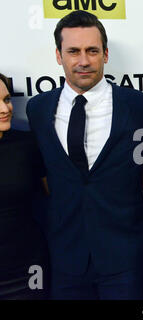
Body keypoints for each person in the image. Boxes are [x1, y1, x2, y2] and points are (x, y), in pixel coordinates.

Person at [26, 11, 143, 299]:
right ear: (59, 55)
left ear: (106, 54)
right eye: (73, 51)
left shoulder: (139, 107)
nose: (83, 61)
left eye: (92, 51)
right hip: (63, 258)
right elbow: (42, 175)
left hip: (125, 258)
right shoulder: (37, 109)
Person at [0, 73, 49, 299]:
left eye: (7, 99)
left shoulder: (26, 144)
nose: (5, 109)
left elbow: (54, 195)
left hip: (29, 266)